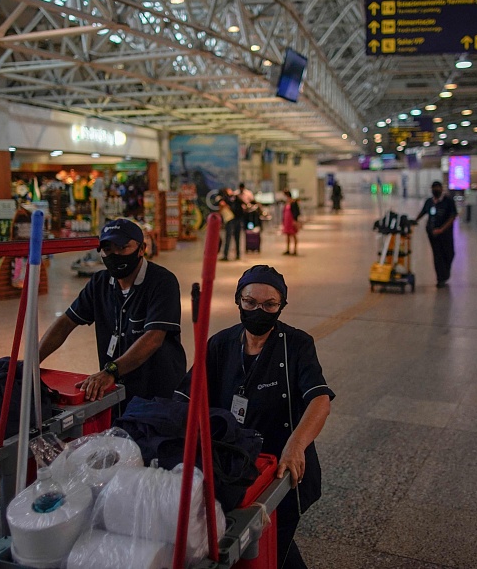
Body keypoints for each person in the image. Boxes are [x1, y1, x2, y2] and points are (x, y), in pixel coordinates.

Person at [176, 266, 333, 569]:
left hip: (279, 470)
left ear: (281, 305)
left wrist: (296, 445)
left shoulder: (297, 345)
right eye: (250, 302)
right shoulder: (221, 344)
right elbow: (187, 397)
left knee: (274, 540)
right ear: (238, 300)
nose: (258, 311)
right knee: (262, 545)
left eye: (269, 305)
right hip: (234, 468)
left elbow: (320, 399)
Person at [38, 218, 185, 411]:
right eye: (107, 249)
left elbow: (154, 338)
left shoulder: (162, 282)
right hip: (116, 390)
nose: (114, 255)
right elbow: (66, 322)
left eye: (122, 248)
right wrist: (33, 361)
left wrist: (111, 371)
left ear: (142, 249)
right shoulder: (99, 284)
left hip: (157, 394)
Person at [413, 181, 458, 287]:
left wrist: (442, 229)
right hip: (432, 233)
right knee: (438, 255)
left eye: (438, 188)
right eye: (434, 189)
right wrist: (415, 221)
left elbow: (452, 216)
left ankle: (445, 274)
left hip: (445, 233)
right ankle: (440, 278)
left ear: (441, 189)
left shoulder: (448, 201)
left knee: (449, 253)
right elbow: (423, 212)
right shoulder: (429, 201)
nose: (436, 191)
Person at [220, 188, 244, 261]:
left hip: (237, 219)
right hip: (231, 220)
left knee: (236, 237)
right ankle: (226, 255)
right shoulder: (225, 199)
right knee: (229, 237)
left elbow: (242, 204)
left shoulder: (236, 198)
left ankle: (237, 254)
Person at [282, 189, 300, 256]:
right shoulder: (286, 203)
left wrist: (295, 220)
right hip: (287, 221)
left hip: (292, 220)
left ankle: (295, 250)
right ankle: (288, 249)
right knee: (287, 235)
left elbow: (296, 212)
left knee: (294, 235)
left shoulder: (293, 202)